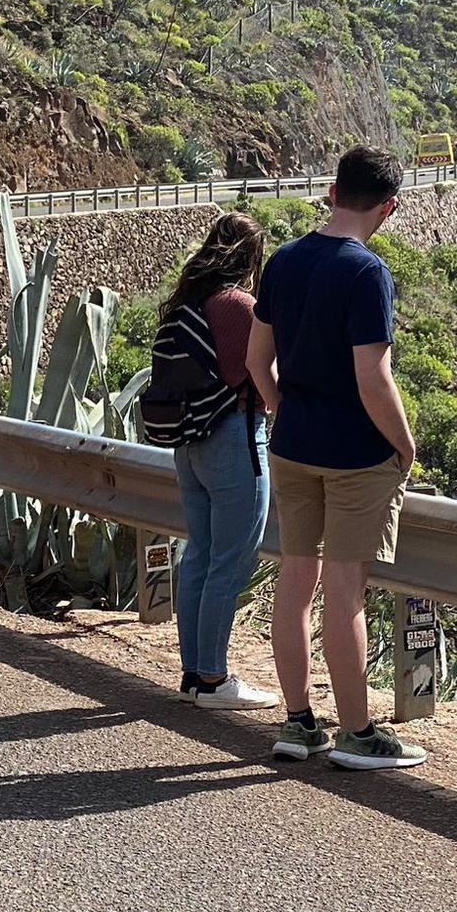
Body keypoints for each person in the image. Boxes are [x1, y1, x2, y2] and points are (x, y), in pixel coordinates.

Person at [247, 145, 426, 771]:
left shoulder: (283, 262)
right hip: (355, 454)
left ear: (330, 190)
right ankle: (357, 733)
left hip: (292, 447)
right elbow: (372, 379)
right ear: (389, 206)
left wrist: (279, 411)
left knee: (295, 582)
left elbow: (254, 363)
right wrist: (404, 445)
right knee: (344, 590)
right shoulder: (366, 271)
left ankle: (298, 724)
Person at [151, 212, 276, 710]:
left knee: (200, 554)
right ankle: (214, 679)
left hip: (189, 443)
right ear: (251, 257)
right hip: (235, 438)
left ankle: (194, 674)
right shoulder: (240, 306)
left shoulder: (186, 304)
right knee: (232, 559)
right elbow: (260, 370)